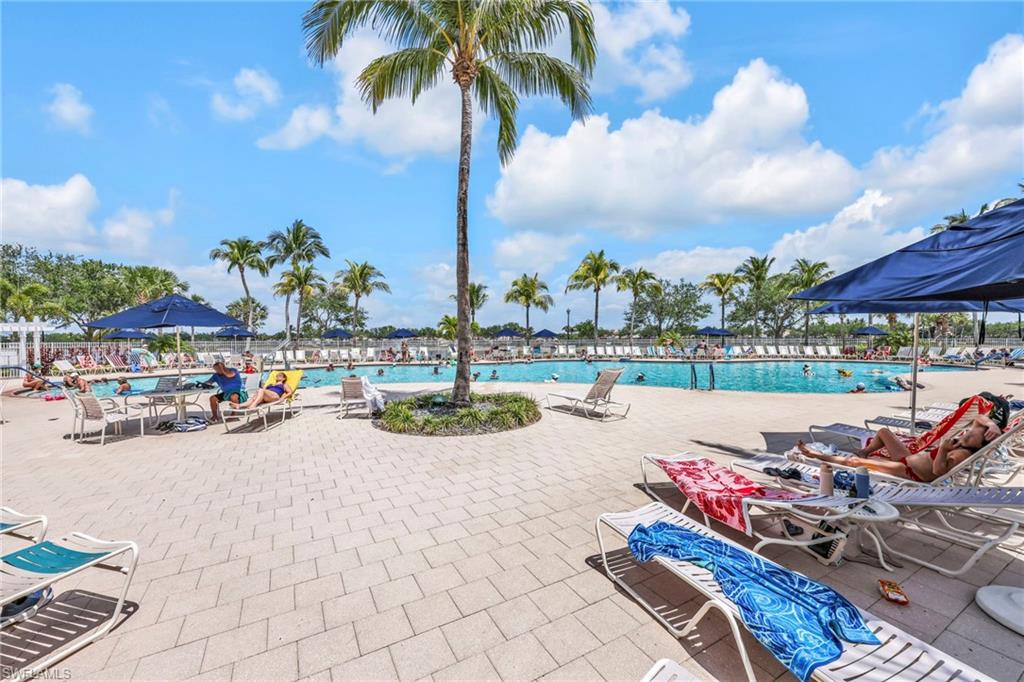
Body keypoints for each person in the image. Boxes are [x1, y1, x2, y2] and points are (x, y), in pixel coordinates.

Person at [796, 413, 1000, 482]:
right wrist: (991, 424)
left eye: (972, 434)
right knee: (884, 432)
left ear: (980, 443)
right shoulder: (969, 439)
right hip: (908, 457)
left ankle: (816, 455)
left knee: (856, 463)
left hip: (909, 471)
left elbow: (938, 471)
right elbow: (978, 418)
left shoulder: (962, 453)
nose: (967, 432)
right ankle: (866, 451)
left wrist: (944, 450)